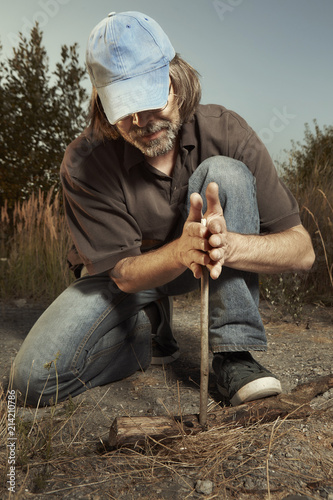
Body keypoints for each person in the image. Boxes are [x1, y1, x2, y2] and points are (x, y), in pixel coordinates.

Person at [12, 11, 315, 407]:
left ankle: (233, 355)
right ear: (103, 104)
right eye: (124, 107)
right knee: (31, 381)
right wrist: (179, 251)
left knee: (225, 172)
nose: (141, 120)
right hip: (127, 277)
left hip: (208, 268)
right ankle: (138, 335)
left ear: (176, 81)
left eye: (149, 98)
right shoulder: (83, 160)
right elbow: (121, 273)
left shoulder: (227, 130)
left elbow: (302, 252)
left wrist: (228, 246)